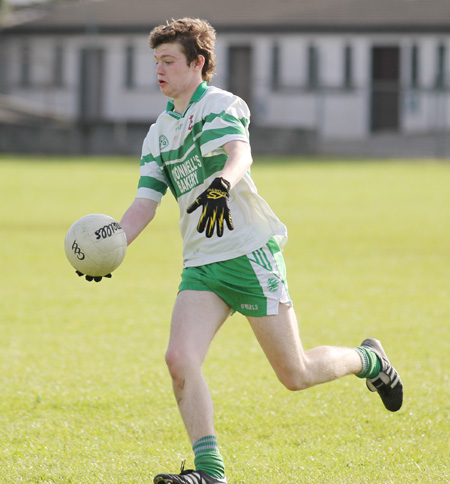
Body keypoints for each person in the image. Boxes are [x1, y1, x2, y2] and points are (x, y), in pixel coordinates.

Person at [118, 18, 403, 484]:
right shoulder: (157, 134)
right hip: (202, 266)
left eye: (169, 61)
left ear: (198, 63)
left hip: (249, 252)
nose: (159, 70)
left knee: (296, 373)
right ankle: (211, 473)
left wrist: (220, 185)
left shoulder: (220, 105)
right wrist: (112, 244)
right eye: (156, 62)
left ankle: (370, 360)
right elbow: (143, 206)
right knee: (179, 359)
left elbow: (239, 154)